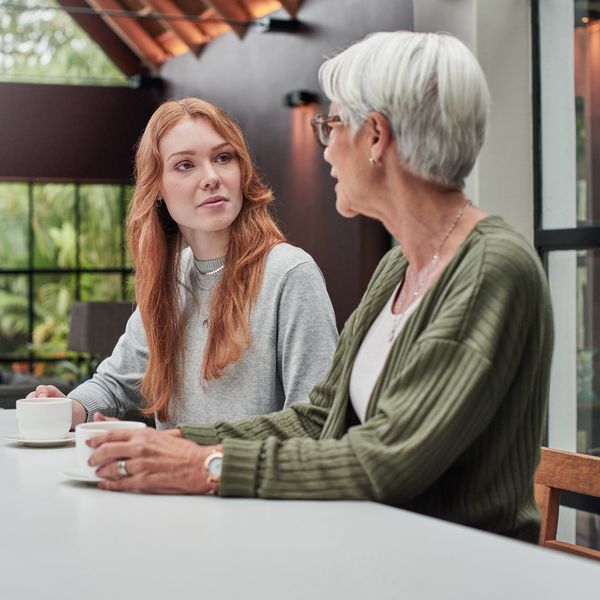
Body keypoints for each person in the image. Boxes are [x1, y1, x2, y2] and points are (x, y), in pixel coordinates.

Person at [87, 32, 553, 543]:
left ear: (375, 137)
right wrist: (181, 443)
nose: (325, 146)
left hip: (453, 568)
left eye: (332, 124)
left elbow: (387, 459)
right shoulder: (399, 266)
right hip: (379, 547)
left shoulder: (490, 270)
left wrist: (207, 466)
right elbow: (319, 418)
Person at [29, 98, 338, 429]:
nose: (211, 177)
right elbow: (116, 382)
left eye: (223, 158)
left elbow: (315, 422)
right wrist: (70, 407)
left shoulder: (290, 273)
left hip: (244, 480)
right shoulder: (172, 277)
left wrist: (201, 460)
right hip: (164, 482)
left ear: (241, 170)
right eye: (185, 165)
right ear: (157, 187)